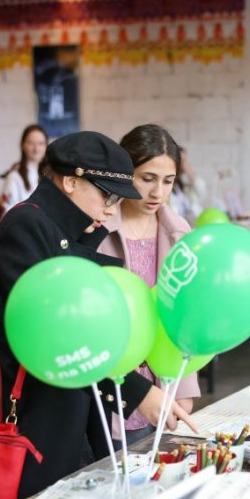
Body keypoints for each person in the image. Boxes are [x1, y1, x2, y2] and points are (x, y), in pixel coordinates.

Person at [0, 131, 197, 499]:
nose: (111, 209)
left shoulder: (68, 228)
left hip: (64, 415)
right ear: (70, 182)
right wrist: (137, 392)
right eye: (107, 196)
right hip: (23, 415)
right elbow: (57, 331)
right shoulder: (26, 225)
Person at [99, 124, 201, 447]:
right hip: (110, 392)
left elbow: (184, 316)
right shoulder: (98, 228)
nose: (158, 192)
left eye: (168, 181)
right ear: (125, 172)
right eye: (147, 179)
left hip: (164, 391)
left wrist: (184, 387)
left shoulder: (179, 232)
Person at [1, 124, 48, 214]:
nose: (36, 149)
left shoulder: (49, 175)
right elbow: (7, 214)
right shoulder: (14, 177)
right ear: (22, 145)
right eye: (31, 143)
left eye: (41, 143)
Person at [167, 146, 209, 226]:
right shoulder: (166, 187)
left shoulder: (182, 185)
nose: (183, 164)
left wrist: (189, 171)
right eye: (181, 160)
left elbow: (201, 191)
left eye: (185, 160)